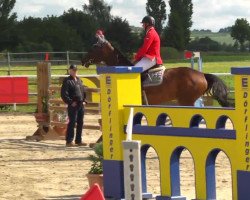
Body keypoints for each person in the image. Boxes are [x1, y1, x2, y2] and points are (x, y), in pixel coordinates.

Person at [61, 64, 87, 147]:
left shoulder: (79, 80)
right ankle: (69, 141)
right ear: (70, 71)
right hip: (73, 105)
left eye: (75, 70)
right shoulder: (67, 81)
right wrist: (70, 102)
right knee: (72, 122)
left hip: (80, 104)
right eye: (73, 70)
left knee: (80, 122)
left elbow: (83, 91)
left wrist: (84, 101)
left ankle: (78, 140)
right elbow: (64, 94)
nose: (74, 71)